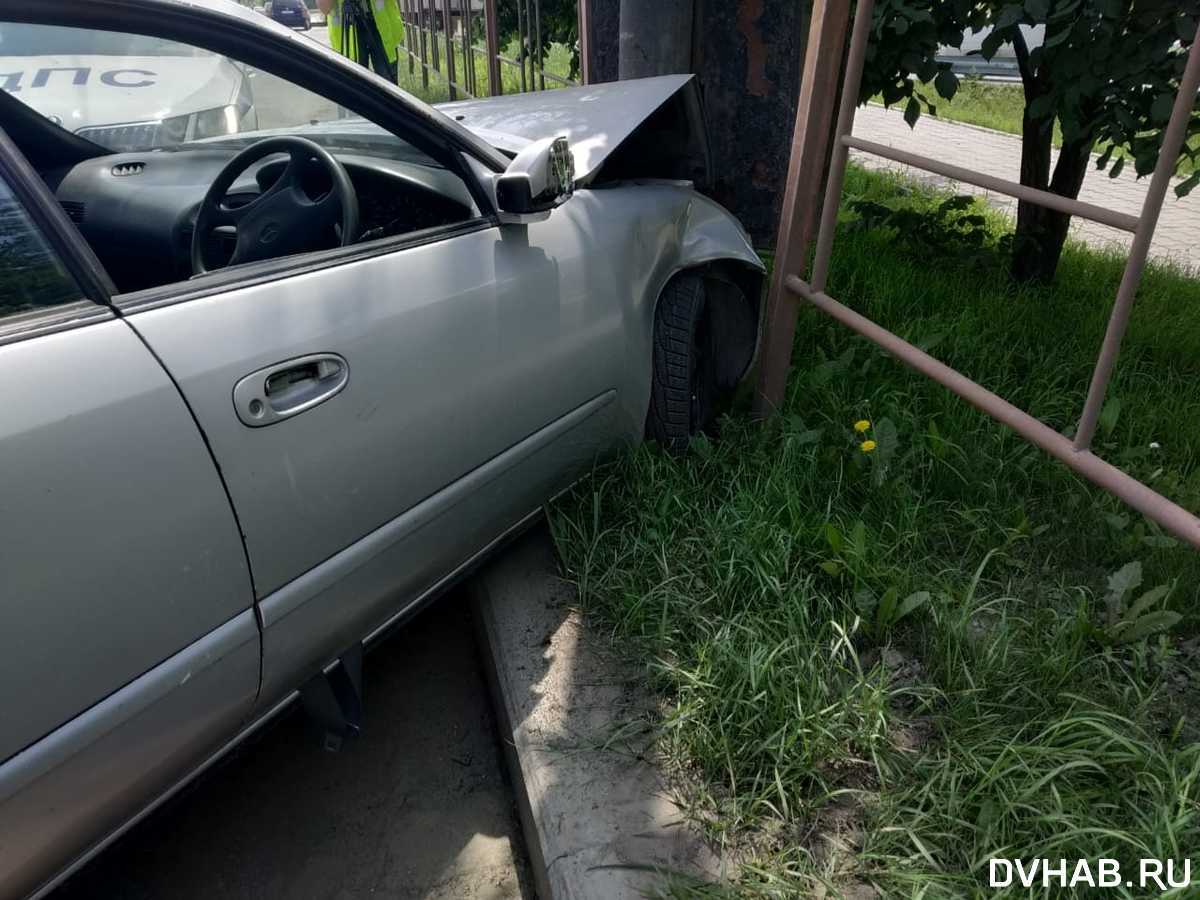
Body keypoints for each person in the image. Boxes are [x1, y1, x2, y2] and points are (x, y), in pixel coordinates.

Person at [317, 0, 403, 82]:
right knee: (354, 90)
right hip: (348, 37)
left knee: (388, 89)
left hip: (382, 29)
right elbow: (324, 8)